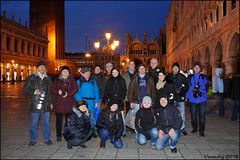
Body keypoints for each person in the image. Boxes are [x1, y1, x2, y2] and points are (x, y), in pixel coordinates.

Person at [23, 60, 53, 146]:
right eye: (40, 67)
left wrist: (51, 103)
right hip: (35, 104)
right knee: (33, 123)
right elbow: (25, 89)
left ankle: (47, 139)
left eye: (43, 67)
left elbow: (51, 92)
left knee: (46, 123)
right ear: (37, 68)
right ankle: (33, 139)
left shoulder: (48, 78)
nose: (42, 68)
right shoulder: (32, 77)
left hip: (46, 104)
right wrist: (33, 91)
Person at [52, 66, 78, 142]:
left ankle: (68, 134)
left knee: (68, 121)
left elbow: (76, 89)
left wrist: (68, 93)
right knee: (59, 121)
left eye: (67, 71)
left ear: (69, 73)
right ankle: (59, 135)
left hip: (69, 103)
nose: (65, 72)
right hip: (59, 103)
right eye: (64, 71)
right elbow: (53, 88)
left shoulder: (72, 80)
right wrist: (58, 92)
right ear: (61, 72)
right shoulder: (57, 80)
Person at [74, 67, 100, 138]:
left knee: (91, 118)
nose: (88, 74)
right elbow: (76, 93)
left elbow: (96, 92)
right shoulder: (78, 82)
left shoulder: (93, 82)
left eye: (89, 73)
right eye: (86, 73)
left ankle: (92, 131)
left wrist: (97, 101)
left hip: (92, 103)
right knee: (83, 119)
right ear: (82, 74)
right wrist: (81, 103)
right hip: (83, 104)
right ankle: (83, 132)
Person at [186, 61, 209, 137]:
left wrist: (200, 88)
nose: (196, 68)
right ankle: (195, 128)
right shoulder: (190, 77)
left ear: (200, 68)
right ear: (193, 68)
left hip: (202, 99)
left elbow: (206, 87)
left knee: (202, 116)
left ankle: (202, 131)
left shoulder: (204, 77)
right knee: (193, 116)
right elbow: (188, 88)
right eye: (195, 67)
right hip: (192, 99)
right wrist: (187, 97)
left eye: (198, 67)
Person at [167, 62, 189, 135]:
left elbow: (186, 86)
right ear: (172, 68)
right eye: (174, 67)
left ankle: (182, 128)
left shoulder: (182, 77)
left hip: (180, 99)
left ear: (178, 68)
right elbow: (166, 86)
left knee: (182, 114)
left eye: (176, 67)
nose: (175, 68)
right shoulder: (169, 76)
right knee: (171, 114)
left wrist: (181, 91)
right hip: (172, 99)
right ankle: (172, 128)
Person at [104, 68, 127, 136]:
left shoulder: (122, 80)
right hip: (111, 101)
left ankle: (123, 131)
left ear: (118, 72)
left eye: (116, 72)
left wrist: (121, 98)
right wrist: (108, 98)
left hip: (119, 101)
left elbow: (124, 90)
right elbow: (106, 90)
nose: (114, 73)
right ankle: (112, 130)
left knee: (121, 116)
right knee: (111, 116)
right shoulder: (109, 80)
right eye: (113, 72)